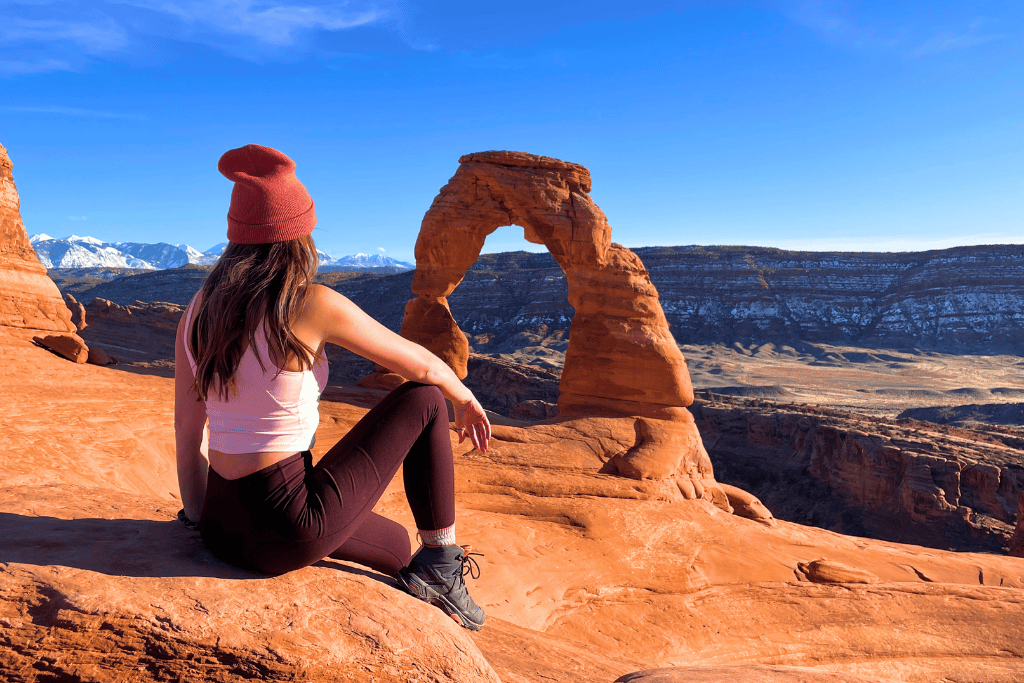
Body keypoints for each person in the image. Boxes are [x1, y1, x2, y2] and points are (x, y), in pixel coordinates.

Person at [174, 143, 491, 631]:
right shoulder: (309, 302)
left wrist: (198, 516)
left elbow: (187, 426)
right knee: (426, 399)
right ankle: (444, 566)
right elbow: (425, 369)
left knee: (394, 545)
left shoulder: (199, 309)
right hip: (286, 523)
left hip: (222, 523)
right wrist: (464, 398)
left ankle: (424, 576)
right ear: (299, 235)